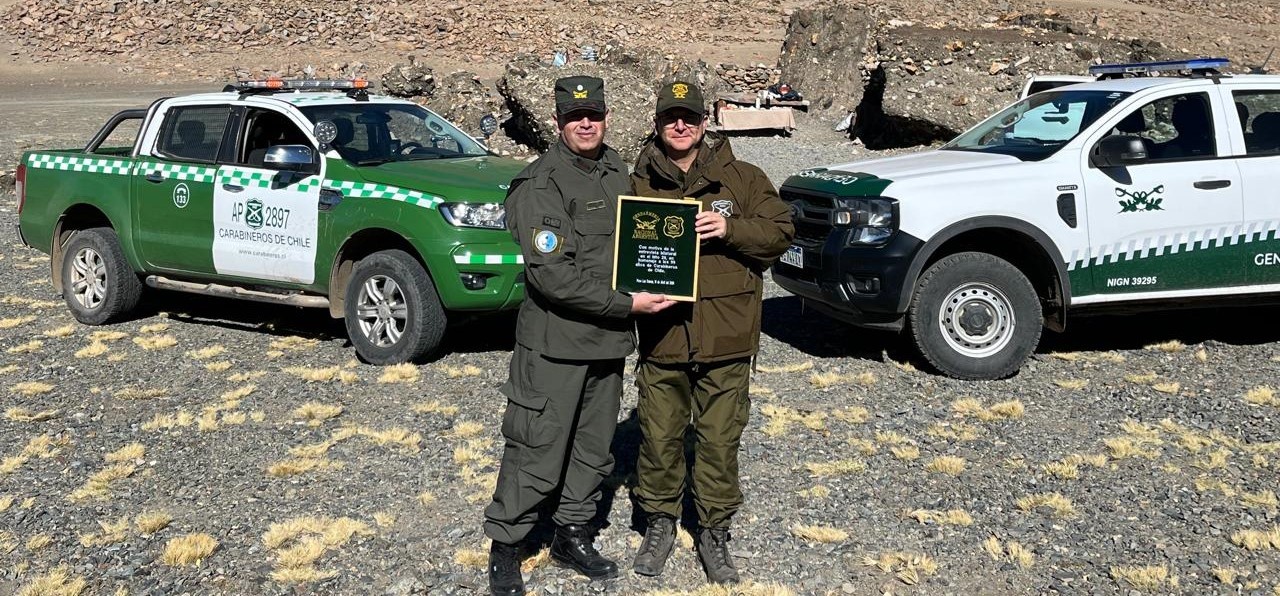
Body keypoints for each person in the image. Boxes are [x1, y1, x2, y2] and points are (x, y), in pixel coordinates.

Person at [483, 75, 674, 596]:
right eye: (574, 117)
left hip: (608, 343)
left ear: (607, 117)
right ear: (557, 122)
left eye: (593, 115)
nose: (585, 124)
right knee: (536, 449)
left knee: (594, 449)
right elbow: (553, 276)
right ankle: (507, 547)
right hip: (555, 347)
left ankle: (571, 533)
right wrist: (629, 304)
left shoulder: (616, 170)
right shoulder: (541, 183)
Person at [628, 80, 794, 584]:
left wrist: (731, 229)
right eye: (670, 117)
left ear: (705, 122)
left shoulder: (742, 178)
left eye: (690, 116)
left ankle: (714, 530)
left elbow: (781, 232)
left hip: (727, 337)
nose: (680, 125)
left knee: (720, 442)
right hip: (663, 335)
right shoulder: (637, 183)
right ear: (657, 124)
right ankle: (660, 523)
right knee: (659, 437)